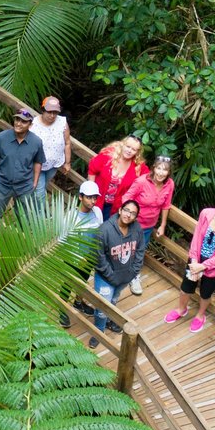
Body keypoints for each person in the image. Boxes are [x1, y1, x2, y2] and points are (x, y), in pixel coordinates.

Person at [164, 188, 215, 333]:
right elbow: (196, 238)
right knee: (186, 287)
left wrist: (203, 266)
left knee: (206, 293)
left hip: (213, 266)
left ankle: (200, 315)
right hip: (195, 259)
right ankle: (181, 309)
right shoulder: (206, 214)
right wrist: (194, 261)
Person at [89, 199, 142, 348]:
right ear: (120, 210)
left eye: (133, 213)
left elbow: (140, 250)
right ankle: (98, 331)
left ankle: (110, 320)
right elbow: (98, 256)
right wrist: (111, 275)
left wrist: (134, 271)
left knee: (113, 301)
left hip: (125, 276)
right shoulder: (104, 230)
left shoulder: (136, 228)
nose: (128, 215)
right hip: (106, 277)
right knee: (102, 306)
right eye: (126, 210)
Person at [121, 155, 175, 296]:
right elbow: (126, 197)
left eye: (165, 170)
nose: (161, 172)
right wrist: (129, 214)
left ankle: (134, 276)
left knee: (140, 250)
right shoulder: (141, 182)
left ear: (168, 172)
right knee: (125, 247)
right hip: (133, 222)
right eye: (158, 168)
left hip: (149, 224)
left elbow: (166, 205)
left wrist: (162, 225)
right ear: (153, 168)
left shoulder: (169, 184)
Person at [60, 180, 104, 329]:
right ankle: (62, 309)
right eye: (89, 197)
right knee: (68, 284)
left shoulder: (97, 212)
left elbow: (99, 233)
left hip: (90, 258)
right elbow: (62, 241)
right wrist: (76, 258)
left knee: (83, 282)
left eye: (94, 198)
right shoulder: (71, 217)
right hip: (73, 259)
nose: (92, 201)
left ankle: (78, 302)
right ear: (80, 197)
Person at [0, 109, 45, 220]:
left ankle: (21, 236)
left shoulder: (36, 142)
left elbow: (38, 161)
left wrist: (35, 182)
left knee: (24, 216)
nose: (18, 123)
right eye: (17, 119)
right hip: (2, 184)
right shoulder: (1, 137)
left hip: (25, 186)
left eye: (23, 121)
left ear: (30, 125)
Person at [87, 136, 148, 220]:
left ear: (137, 152)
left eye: (133, 149)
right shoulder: (107, 155)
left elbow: (149, 179)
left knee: (104, 230)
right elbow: (92, 169)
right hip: (96, 199)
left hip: (114, 207)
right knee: (87, 224)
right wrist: (90, 192)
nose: (129, 151)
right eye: (128, 146)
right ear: (122, 144)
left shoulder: (138, 167)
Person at [29, 97, 71, 200]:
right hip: (36, 164)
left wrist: (67, 162)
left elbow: (67, 143)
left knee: (42, 187)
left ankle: (30, 201)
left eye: (55, 112)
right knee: (40, 194)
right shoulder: (33, 124)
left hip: (53, 164)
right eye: (49, 112)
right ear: (42, 110)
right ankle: (39, 215)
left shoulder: (62, 122)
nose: (52, 115)